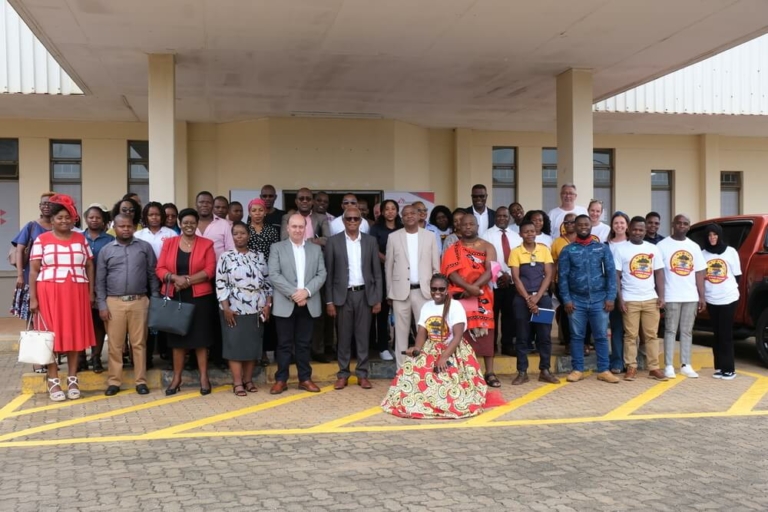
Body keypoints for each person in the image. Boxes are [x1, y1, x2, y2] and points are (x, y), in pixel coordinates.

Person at [381, 273, 488, 419]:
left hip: (452, 349)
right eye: (434, 289)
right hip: (431, 347)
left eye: (441, 289)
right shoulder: (427, 307)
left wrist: (444, 357)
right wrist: (417, 349)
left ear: (447, 289)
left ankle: (442, 404)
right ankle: (420, 402)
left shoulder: (456, 306)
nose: (437, 292)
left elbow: (457, 336)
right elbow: (421, 333)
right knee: (412, 373)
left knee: (448, 382)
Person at [28, 194, 96, 401]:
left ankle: (73, 379)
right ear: (52, 219)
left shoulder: (81, 238)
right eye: (60, 218)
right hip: (49, 292)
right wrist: (33, 298)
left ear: (73, 219)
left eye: (68, 217)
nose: (64, 221)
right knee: (51, 336)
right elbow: (33, 270)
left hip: (76, 292)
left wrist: (91, 292)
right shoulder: (42, 240)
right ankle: (53, 379)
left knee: (73, 335)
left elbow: (89, 265)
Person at [156, 208, 217, 396]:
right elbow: (160, 269)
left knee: (200, 339)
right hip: (176, 295)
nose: (189, 225)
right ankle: (177, 378)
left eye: (192, 222)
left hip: (200, 297)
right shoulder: (169, 243)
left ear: (197, 224)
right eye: (185, 222)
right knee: (178, 340)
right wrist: (175, 278)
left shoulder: (207, 244)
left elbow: (210, 270)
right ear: (180, 224)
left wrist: (187, 280)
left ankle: (204, 377)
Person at [97, 214, 158, 396]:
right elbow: (100, 281)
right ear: (114, 228)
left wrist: (154, 299)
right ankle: (114, 382)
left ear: (134, 227)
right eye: (121, 226)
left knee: (139, 344)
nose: (125, 229)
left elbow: (152, 274)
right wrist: (102, 305)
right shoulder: (106, 250)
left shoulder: (144, 247)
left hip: (139, 301)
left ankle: (141, 381)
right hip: (114, 303)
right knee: (115, 345)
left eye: (129, 226)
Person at [268, 214, 328, 394]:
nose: (297, 230)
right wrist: (295, 294)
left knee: (304, 344)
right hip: (286, 303)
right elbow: (274, 274)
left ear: (306, 228)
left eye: (301, 227)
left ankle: (305, 379)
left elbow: (322, 274)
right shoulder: (277, 248)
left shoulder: (315, 249)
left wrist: (306, 292)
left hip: (308, 303)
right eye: (294, 226)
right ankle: (281, 380)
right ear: (287, 228)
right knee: (284, 344)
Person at [325, 207, 382, 390]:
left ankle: (362, 374)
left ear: (360, 221)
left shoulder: (370, 241)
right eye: (348, 218)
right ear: (343, 220)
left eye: (355, 218)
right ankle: (343, 374)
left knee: (363, 337)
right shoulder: (333, 241)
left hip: (365, 295)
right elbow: (329, 273)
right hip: (343, 296)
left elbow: (377, 273)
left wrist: (377, 298)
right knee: (343, 337)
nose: (352, 221)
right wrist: (329, 301)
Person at [558, 215, 619, 384]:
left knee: (600, 336)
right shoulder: (568, 250)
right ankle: (577, 369)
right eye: (580, 225)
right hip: (576, 300)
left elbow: (611, 274)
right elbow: (562, 277)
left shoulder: (602, 248)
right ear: (575, 227)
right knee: (577, 336)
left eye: (586, 224)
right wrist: (566, 300)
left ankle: (604, 370)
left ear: (591, 226)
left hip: (599, 299)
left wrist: (610, 297)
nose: (583, 227)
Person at [441, 215, 499, 387]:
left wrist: (474, 288)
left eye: (471, 224)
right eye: (464, 224)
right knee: (461, 332)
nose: (467, 227)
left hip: (482, 295)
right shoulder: (453, 248)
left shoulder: (488, 246)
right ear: (459, 227)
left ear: (477, 226)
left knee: (486, 333)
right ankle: (463, 372)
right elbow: (450, 272)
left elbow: (492, 269)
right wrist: (467, 288)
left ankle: (490, 372)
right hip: (460, 295)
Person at [216, 221, 273, 396]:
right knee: (235, 345)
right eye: (236, 233)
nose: (239, 236)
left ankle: (248, 380)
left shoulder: (258, 256)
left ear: (248, 235)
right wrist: (226, 308)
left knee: (252, 346)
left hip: (256, 307)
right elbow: (221, 283)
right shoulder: (226, 257)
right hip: (234, 308)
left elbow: (267, 283)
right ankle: (237, 382)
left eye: (242, 233)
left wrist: (268, 305)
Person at [386, 204, 440, 368]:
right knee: (400, 334)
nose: (409, 216)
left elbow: (436, 267)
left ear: (418, 216)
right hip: (400, 293)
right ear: (401, 218)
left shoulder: (430, 236)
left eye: (412, 213)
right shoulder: (393, 237)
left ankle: (424, 368)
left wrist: (436, 292)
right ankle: (401, 371)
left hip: (424, 293)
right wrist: (389, 293)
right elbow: (388, 267)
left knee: (425, 332)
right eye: (405, 214)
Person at [614, 216, 668, 381]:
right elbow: (616, 276)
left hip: (651, 299)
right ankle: (631, 367)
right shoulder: (620, 249)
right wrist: (620, 299)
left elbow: (659, 273)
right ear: (629, 229)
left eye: (641, 230)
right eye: (635, 229)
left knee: (651, 335)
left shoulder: (653, 248)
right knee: (630, 336)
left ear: (645, 231)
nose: (637, 232)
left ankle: (654, 368)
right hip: (630, 299)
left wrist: (661, 296)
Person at [509, 221, 559, 384]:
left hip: (542, 299)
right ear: (520, 234)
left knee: (544, 336)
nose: (530, 234)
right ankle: (522, 372)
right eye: (526, 232)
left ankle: (545, 370)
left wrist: (537, 297)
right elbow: (516, 278)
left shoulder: (544, 250)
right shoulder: (516, 252)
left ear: (536, 232)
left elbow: (549, 275)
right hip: (521, 300)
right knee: (522, 336)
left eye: (532, 231)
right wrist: (528, 299)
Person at [657, 214, 707, 379]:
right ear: (673, 225)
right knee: (670, 331)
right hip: (671, 295)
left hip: (690, 296)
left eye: (685, 224)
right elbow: (658, 273)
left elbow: (699, 272)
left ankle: (686, 365)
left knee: (687, 331)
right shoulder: (662, 245)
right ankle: (669, 366)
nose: (682, 226)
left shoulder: (694, 246)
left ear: (689, 226)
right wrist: (661, 296)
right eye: (679, 223)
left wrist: (701, 296)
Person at [11, 191, 53, 373]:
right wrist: (20, 275)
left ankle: (51, 357)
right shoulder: (31, 226)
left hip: (53, 281)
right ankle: (38, 362)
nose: (46, 206)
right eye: (43, 203)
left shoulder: (60, 225)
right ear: (39, 206)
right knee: (34, 319)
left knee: (51, 319)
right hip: (32, 279)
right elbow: (19, 251)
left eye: (50, 203)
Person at [701, 223, 741, 380]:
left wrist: (725, 288)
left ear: (720, 235)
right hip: (712, 298)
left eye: (715, 235)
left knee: (725, 334)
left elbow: (737, 275)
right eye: (709, 235)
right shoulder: (703, 254)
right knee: (716, 334)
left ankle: (729, 369)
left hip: (728, 298)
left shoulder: (730, 252)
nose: (712, 238)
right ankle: (719, 367)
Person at [481, 206, 522, 357]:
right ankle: (491, 345)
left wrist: (509, 275)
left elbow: (519, 258)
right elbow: (485, 258)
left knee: (509, 315)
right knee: (492, 315)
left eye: (505, 216)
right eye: (499, 216)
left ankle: (507, 345)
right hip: (493, 282)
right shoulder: (487, 235)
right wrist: (498, 275)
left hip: (511, 281)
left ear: (509, 218)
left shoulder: (516, 236)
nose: (502, 218)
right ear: (495, 217)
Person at [370, 199, 404, 362]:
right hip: (382, 274)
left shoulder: (402, 228)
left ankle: (399, 346)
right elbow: (374, 250)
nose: (390, 212)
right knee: (383, 312)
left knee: (400, 312)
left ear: (397, 211)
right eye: (387, 209)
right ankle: (383, 346)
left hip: (401, 274)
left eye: (393, 209)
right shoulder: (376, 229)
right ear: (382, 212)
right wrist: (389, 261)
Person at [83, 204, 114, 373]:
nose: (94, 220)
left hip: (103, 287)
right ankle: (80, 357)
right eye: (91, 217)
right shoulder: (78, 238)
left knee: (98, 324)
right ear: (86, 219)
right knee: (80, 323)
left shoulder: (110, 240)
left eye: (98, 217)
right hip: (80, 286)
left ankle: (96, 357)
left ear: (103, 220)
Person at [606, 211, 630, 374]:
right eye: (616, 223)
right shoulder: (605, 245)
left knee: (629, 330)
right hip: (610, 292)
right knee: (616, 328)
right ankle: (616, 362)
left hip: (630, 291)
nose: (619, 226)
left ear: (627, 225)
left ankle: (629, 361)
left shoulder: (633, 244)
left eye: (622, 223)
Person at [551, 213, 577, 353]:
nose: (569, 225)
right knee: (567, 312)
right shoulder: (557, 242)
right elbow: (554, 264)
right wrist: (552, 281)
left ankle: (583, 342)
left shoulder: (583, 239)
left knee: (581, 312)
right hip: (562, 283)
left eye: (572, 222)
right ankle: (568, 342)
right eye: (566, 222)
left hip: (580, 284)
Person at [195, 191, 234, 260]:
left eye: (208, 202)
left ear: (213, 205)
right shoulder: (189, 224)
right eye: (201, 202)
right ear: (196, 204)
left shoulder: (224, 224)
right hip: (193, 266)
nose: (205, 205)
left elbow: (230, 249)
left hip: (218, 266)